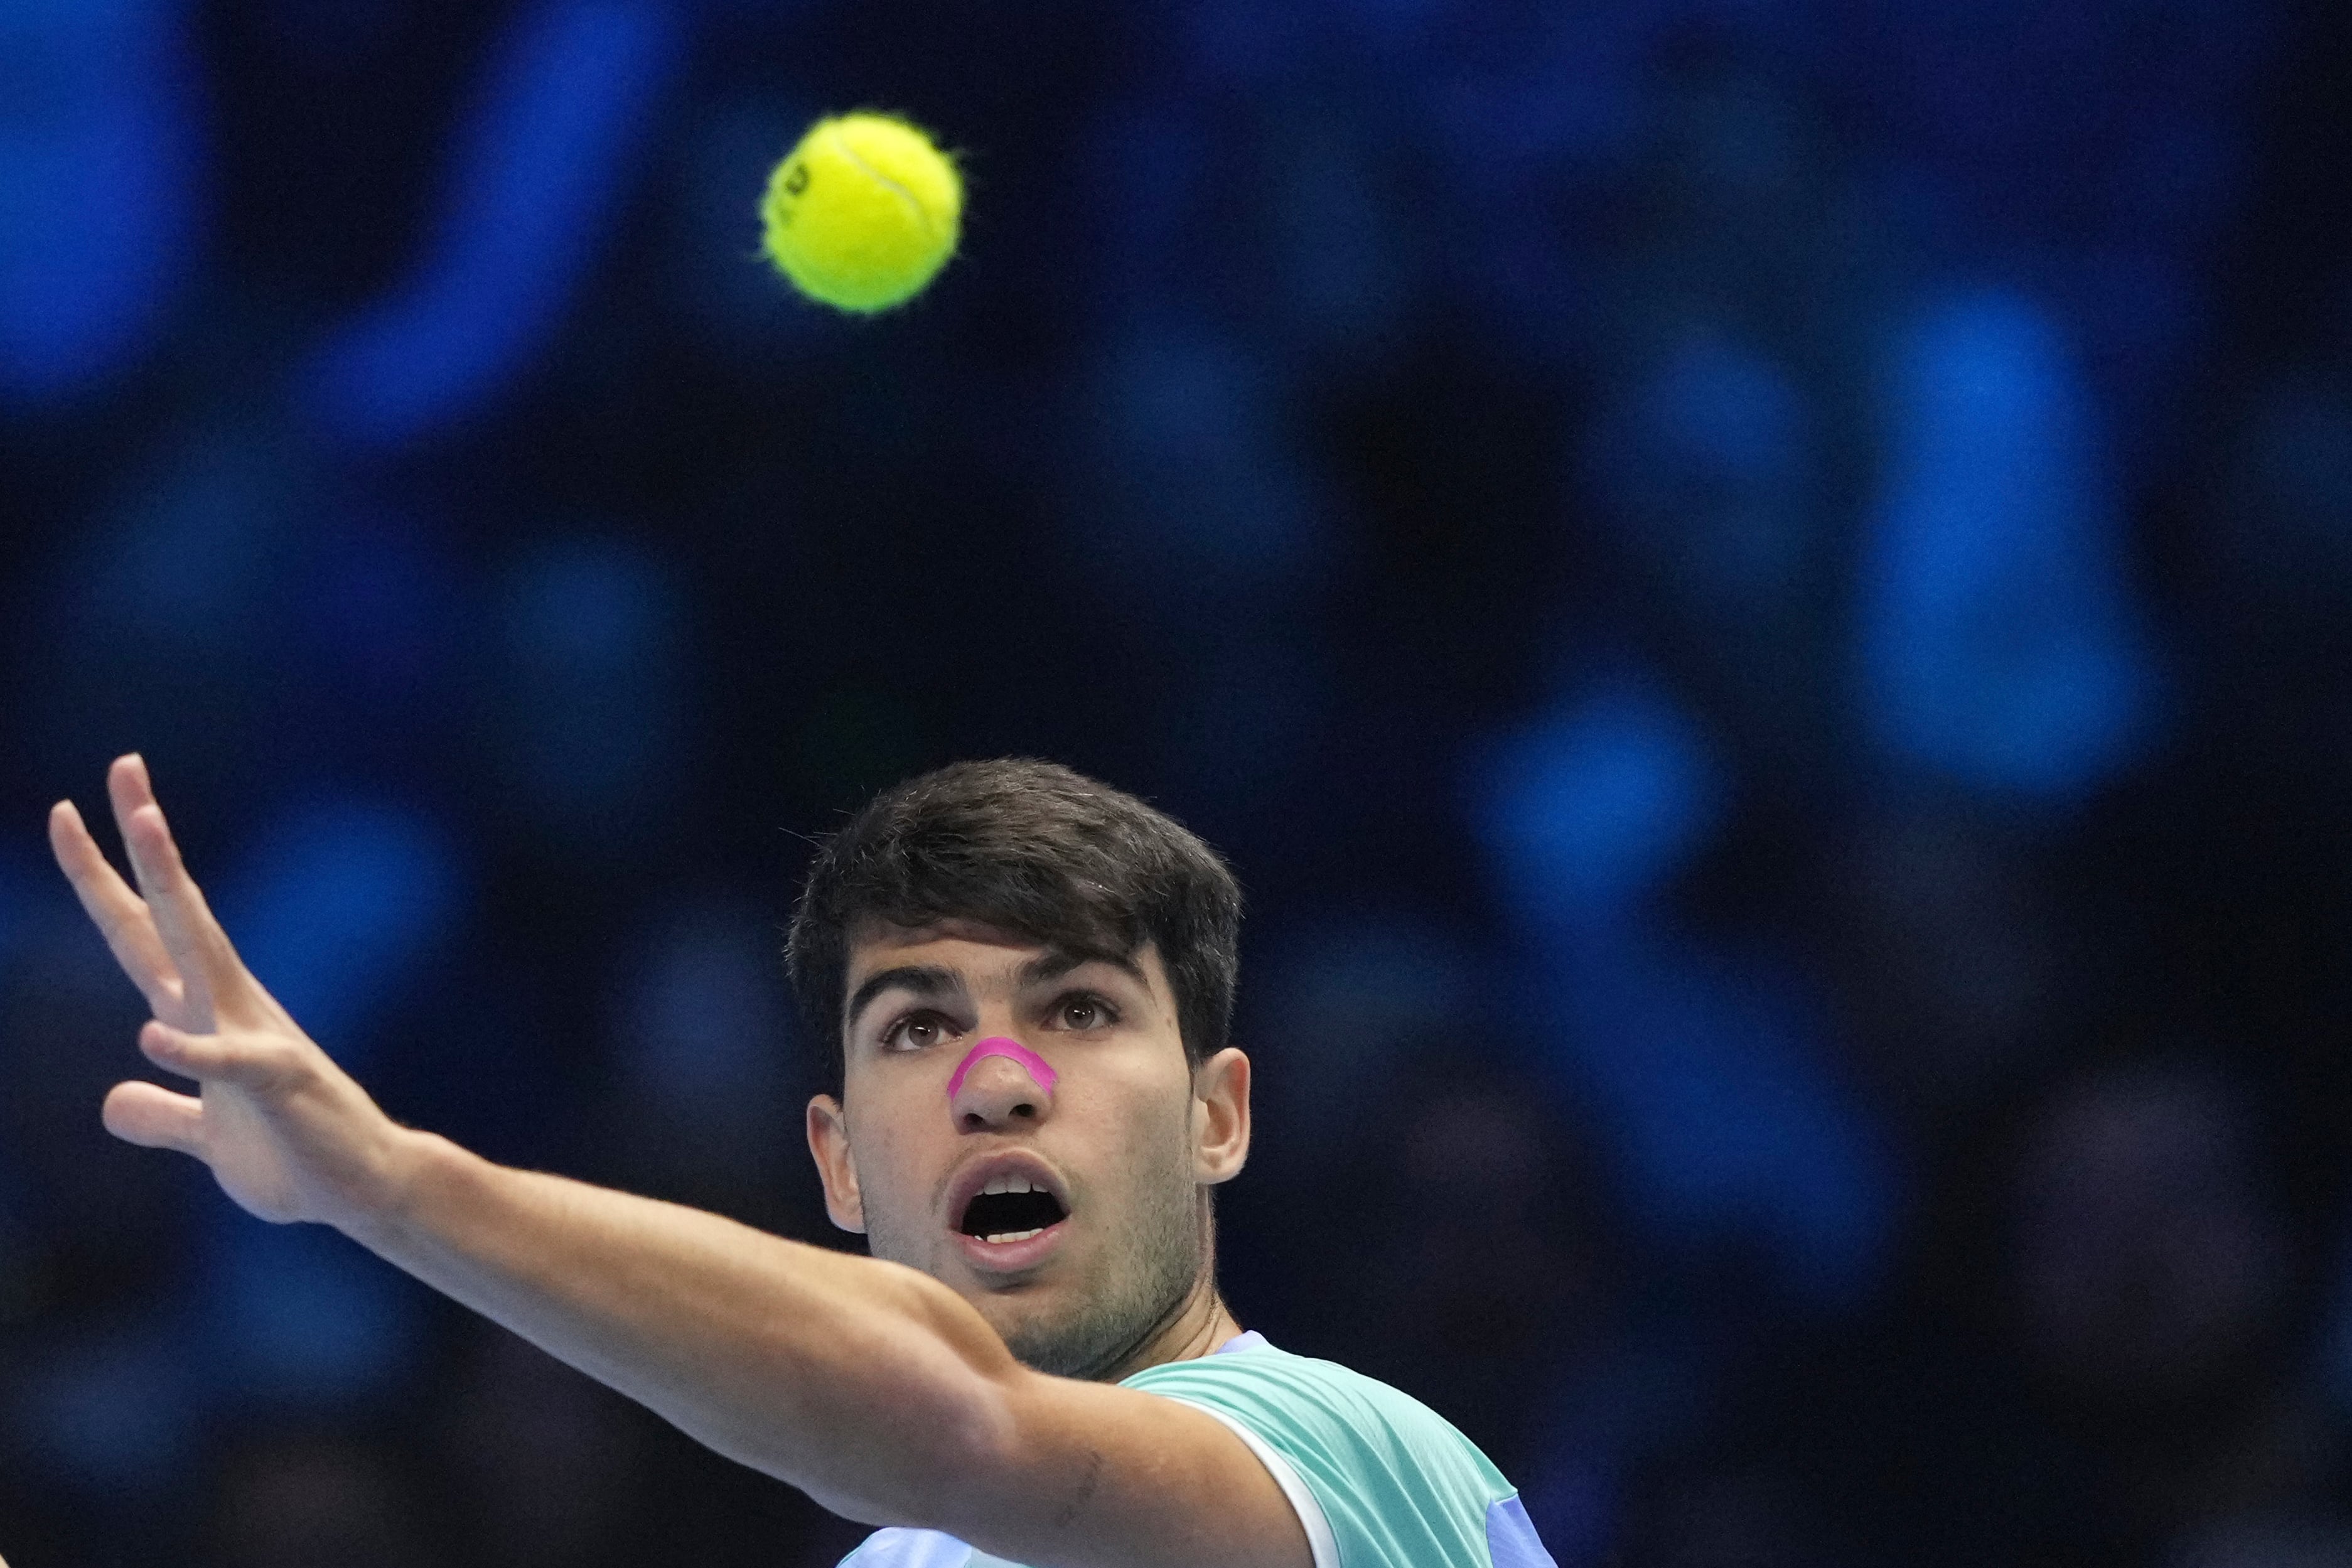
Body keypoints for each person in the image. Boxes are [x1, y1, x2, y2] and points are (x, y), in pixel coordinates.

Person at [48, 753, 1557, 1568]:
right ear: (834, 1165)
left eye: (1079, 1010)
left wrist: (386, 1183)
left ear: (1217, 1115)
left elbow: (947, 1417)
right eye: (914, 1028)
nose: (997, 1080)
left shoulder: (1353, 1459)